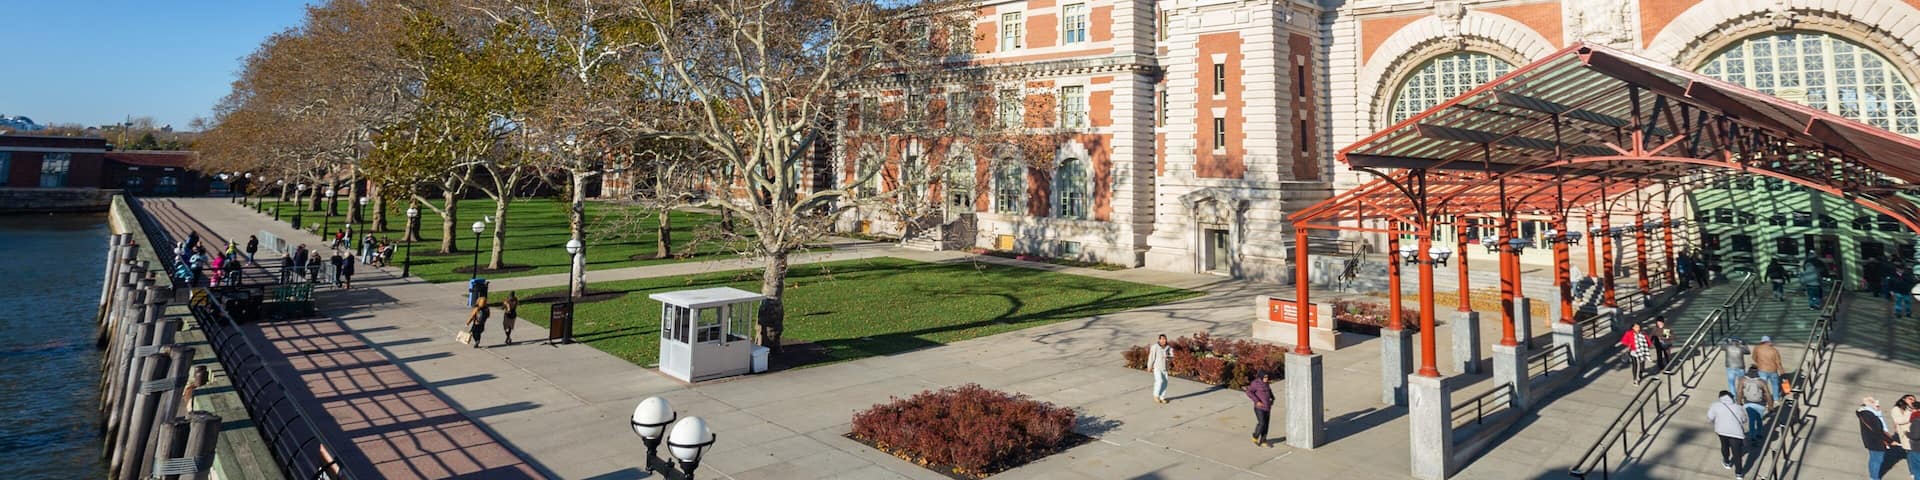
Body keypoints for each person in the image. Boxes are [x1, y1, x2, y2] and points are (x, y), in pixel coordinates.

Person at [1708, 390, 1749, 477]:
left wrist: (1717, 422)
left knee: (1724, 446)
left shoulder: (1715, 405)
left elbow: (1710, 418)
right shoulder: (1738, 407)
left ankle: (1726, 462)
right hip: (1736, 433)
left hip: (1721, 430)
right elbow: (1744, 420)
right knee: (1737, 453)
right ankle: (1739, 473)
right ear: (1731, 397)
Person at [1861, 396, 1897, 480]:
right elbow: (1878, 430)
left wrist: (1878, 411)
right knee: (1877, 460)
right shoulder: (1869, 415)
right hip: (1875, 441)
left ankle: (1873, 476)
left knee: (1874, 458)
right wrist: (1890, 441)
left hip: (1874, 440)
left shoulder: (1871, 413)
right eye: (1873, 403)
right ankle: (1874, 477)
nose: (1877, 405)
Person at [1735, 366, 1772, 442]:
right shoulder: (1761, 381)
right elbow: (1767, 394)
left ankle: (1752, 436)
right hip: (1760, 404)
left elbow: (1739, 392)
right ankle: (1759, 433)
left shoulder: (1743, 380)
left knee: (1751, 420)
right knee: (1759, 419)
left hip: (1748, 403)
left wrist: (1738, 403)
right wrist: (1770, 405)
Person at [1751, 336, 1784, 404]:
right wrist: (1781, 370)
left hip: (1762, 370)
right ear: (1769, 342)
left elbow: (1754, 358)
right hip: (1773, 370)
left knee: (1763, 386)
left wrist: (1759, 363)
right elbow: (1778, 362)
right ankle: (1776, 399)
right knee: (1775, 385)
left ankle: (1765, 399)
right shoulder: (1774, 350)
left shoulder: (1757, 348)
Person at [1246, 371, 1274, 447]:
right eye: (1265, 377)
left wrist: (1272, 398)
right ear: (1261, 377)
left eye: (1267, 377)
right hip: (1259, 408)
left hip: (1267, 407)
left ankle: (1263, 441)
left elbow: (1269, 392)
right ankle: (1255, 435)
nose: (1266, 378)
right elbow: (1249, 392)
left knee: (1266, 425)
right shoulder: (1255, 383)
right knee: (1262, 423)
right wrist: (1257, 401)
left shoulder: (1267, 383)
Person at [1147, 334, 1172, 404]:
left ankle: (1162, 397)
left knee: (1165, 382)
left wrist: (1168, 357)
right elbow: (1151, 357)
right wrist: (1149, 366)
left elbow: (1172, 356)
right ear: (1159, 340)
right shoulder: (1155, 347)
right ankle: (1156, 395)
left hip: (1165, 368)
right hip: (1157, 367)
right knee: (1159, 381)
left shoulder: (1168, 347)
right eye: (1162, 339)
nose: (1164, 340)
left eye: (1165, 339)